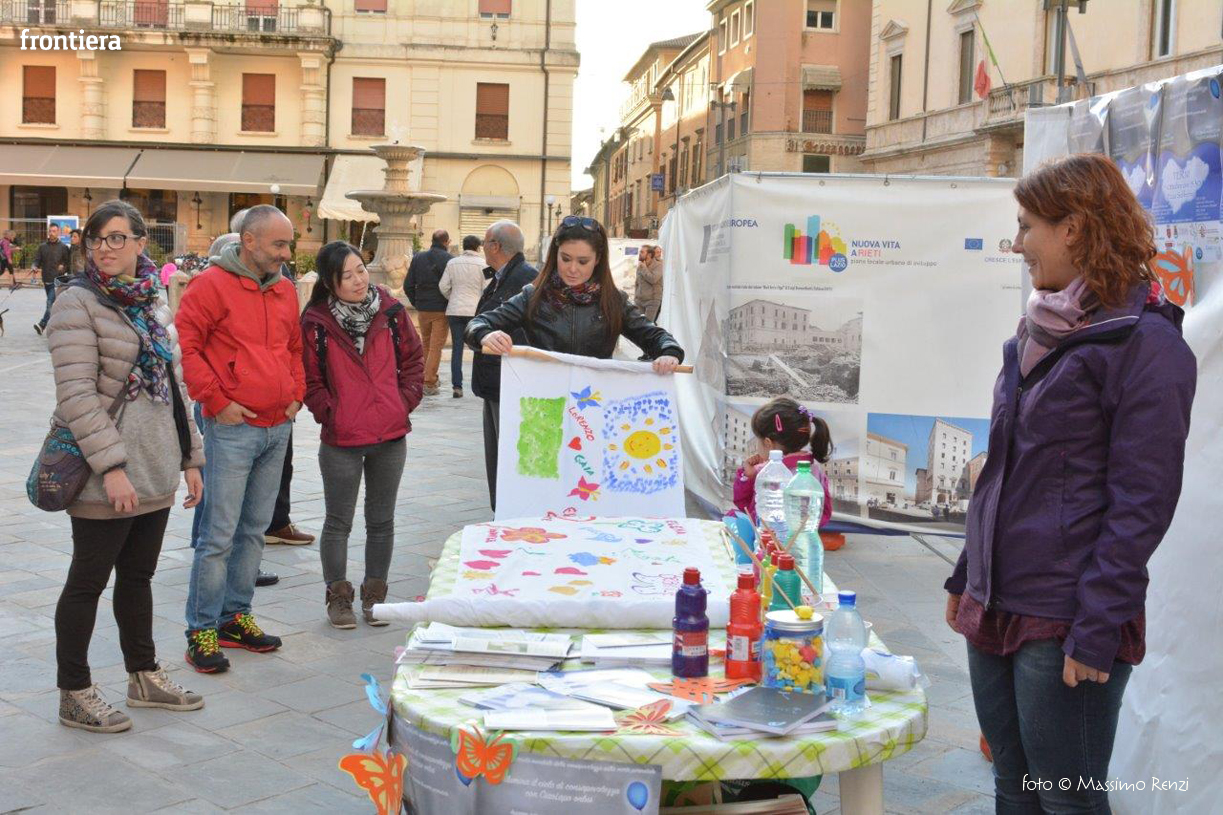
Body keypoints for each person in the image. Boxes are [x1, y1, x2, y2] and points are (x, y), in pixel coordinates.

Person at [944, 154, 1196, 813]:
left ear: (1074, 229)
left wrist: (1096, 627)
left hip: (1065, 617)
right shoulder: (1037, 332)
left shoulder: (1147, 345)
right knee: (1013, 788)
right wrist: (966, 574)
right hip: (995, 603)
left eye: (1027, 226)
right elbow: (1004, 469)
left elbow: (1142, 504)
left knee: (1067, 801)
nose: (1017, 243)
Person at [46, 199, 207, 733]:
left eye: (117, 237)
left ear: (141, 243)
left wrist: (191, 457)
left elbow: (176, 387)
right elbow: (76, 395)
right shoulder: (76, 302)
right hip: (104, 470)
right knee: (87, 581)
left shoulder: (152, 299)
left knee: (138, 577)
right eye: (97, 239)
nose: (105, 248)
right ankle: (74, 692)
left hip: (156, 461)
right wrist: (112, 468)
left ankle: (143, 675)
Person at [466, 216, 685, 499]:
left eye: (583, 261)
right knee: (539, 489)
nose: (572, 269)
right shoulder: (534, 296)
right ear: (554, 255)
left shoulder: (613, 301)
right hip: (542, 413)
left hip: (593, 414)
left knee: (588, 489)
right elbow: (478, 324)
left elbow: (655, 336)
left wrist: (669, 353)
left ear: (598, 260)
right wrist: (485, 335)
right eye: (565, 259)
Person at [176, 205, 305, 673]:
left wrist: (297, 394)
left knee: (253, 530)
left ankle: (235, 617)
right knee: (218, 535)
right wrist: (216, 400)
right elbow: (187, 346)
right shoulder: (210, 286)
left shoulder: (285, 289)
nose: (286, 253)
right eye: (279, 244)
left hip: (277, 425)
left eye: (288, 244)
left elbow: (293, 347)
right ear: (248, 241)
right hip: (231, 427)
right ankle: (201, 629)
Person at [301, 241, 424, 627]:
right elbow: (310, 380)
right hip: (342, 438)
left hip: (390, 434)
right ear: (330, 282)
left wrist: (403, 402)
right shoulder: (317, 323)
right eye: (347, 275)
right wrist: (331, 413)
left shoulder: (391, 312)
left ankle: (375, 596)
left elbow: (413, 360)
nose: (358, 280)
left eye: (360, 270)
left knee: (382, 520)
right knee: (338, 522)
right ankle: (338, 597)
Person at [468, 220, 537, 511]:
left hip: (509, 381)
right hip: (496, 380)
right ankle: (503, 510)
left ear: (495, 246)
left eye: (485, 243)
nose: (483, 248)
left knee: (508, 455)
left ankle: (510, 512)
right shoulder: (505, 276)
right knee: (497, 454)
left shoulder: (524, 281)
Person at [732, 397, 834, 529]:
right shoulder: (815, 470)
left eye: (758, 439)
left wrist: (747, 476)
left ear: (768, 443)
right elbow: (823, 514)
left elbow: (744, 505)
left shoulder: (764, 472)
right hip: (801, 538)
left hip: (767, 537)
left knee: (733, 519)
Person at [438, 235, 486, 398]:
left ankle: (457, 386)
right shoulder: (484, 265)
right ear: (478, 247)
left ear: (463, 246)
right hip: (475, 311)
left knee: (457, 348)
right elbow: (488, 288)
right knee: (478, 348)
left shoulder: (452, 263)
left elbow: (443, 286)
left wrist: (452, 297)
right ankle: (479, 384)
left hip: (455, 309)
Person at [405, 229, 452, 395]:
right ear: (446, 242)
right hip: (441, 308)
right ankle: (429, 381)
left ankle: (424, 376)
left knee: (426, 344)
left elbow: (408, 284)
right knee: (436, 346)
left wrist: (416, 302)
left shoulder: (418, 257)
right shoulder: (449, 259)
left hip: (423, 308)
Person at [33, 223, 71, 335]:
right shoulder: (42, 247)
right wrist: (34, 266)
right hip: (46, 279)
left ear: (58, 232)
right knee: (53, 304)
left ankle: (42, 324)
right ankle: (59, 324)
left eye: (54, 231)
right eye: (50, 231)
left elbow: (68, 263)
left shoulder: (63, 247)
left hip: (57, 280)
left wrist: (63, 266)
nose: (51, 233)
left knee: (50, 302)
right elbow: (37, 260)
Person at [634, 244, 663, 322]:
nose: (639, 254)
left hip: (652, 300)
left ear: (649, 255)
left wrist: (644, 268)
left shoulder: (659, 265)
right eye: (640, 252)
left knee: (647, 325)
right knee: (638, 324)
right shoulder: (641, 265)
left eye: (642, 252)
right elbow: (637, 282)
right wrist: (636, 297)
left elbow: (653, 279)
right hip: (639, 300)